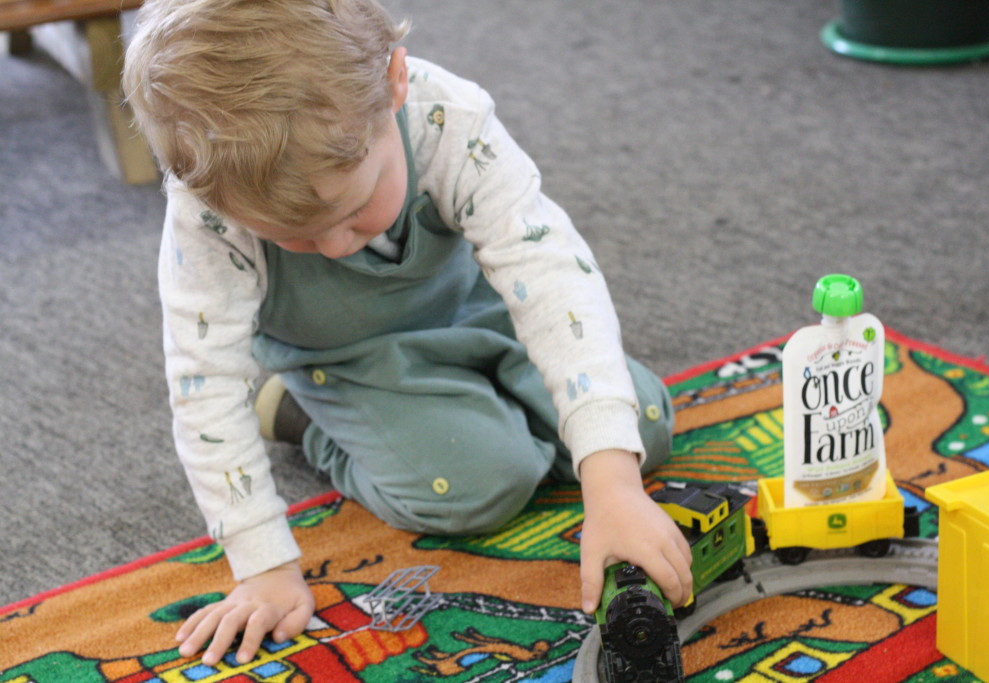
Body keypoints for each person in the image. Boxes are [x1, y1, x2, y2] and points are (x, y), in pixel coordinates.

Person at [123, 0, 692, 666]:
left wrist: (613, 485)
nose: (336, 247)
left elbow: (552, 275)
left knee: (643, 425)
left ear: (392, 84)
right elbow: (204, 380)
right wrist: (263, 565)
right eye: (294, 237)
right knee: (480, 483)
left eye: (356, 209)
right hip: (346, 358)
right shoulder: (207, 205)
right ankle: (303, 416)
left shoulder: (447, 115)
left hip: (482, 312)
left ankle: (494, 410)